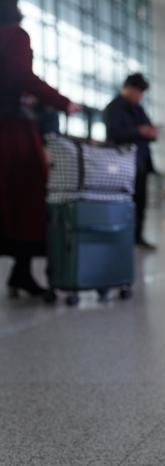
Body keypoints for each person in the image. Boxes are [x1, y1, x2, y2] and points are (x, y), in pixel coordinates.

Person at [0, 0, 79, 298]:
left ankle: (20, 274)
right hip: (11, 132)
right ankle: (21, 271)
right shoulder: (14, 35)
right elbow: (21, 76)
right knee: (27, 199)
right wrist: (62, 102)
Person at [103, 73, 158, 250]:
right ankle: (121, 236)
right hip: (121, 163)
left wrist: (150, 132)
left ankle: (137, 236)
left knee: (140, 202)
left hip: (140, 162)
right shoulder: (114, 108)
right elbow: (114, 133)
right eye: (137, 92)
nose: (139, 96)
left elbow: (150, 130)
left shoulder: (138, 109)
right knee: (122, 201)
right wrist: (138, 131)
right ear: (127, 88)